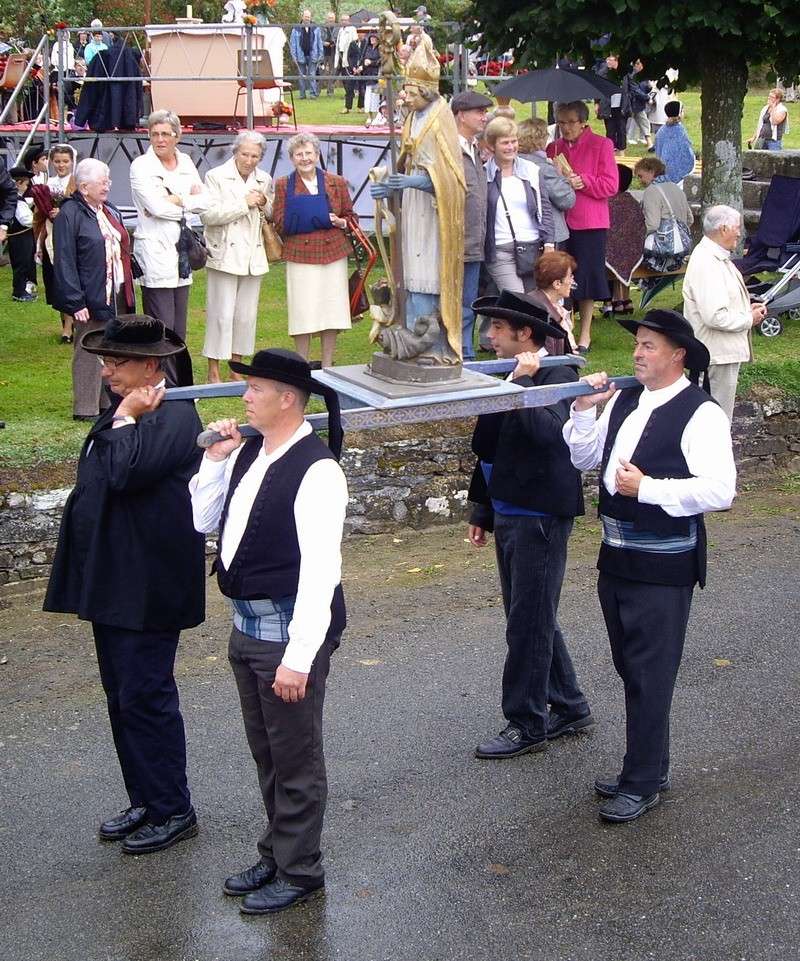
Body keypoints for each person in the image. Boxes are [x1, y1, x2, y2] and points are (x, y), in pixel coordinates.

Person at [562, 309, 736, 823]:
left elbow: (721, 490)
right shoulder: (627, 399)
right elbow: (583, 460)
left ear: (678, 355)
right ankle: (648, 766)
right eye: (637, 344)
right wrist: (582, 412)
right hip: (615, 558)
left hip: (663, 566)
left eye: (650, 346)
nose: (637, 353)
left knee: (650, 672)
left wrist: (650, 488)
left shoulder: (701, 413)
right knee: (629, 667)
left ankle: (641, 781)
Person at [189, 348, 347, 915]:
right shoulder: (250, 452)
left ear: (287, 398)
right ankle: (277, 852)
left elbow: (321, 573)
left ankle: (301, 870)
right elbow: (204, 523)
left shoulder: (319, 470)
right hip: (246, 627)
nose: (244, 397)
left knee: (296, 756)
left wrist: (299, 657)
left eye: (254, 387)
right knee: (268, 753)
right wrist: (214, 462)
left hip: (286, 635)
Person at [43, 314, 205, 853]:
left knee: (146, 694)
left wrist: (127, 420)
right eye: (106, 361)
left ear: (150, 365)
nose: (107, 371)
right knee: (121, 695)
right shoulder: (132, 407)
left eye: (117, 363)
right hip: (117, 577)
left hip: (149, 584)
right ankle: (145, 798)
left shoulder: (174, 414)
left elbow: (122, 473)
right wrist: (126, 416)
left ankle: (172, 807)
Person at [468, 290, 592, 759]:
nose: (489, 336)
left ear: (525, 334)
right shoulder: (508, 374)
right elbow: (487, 447)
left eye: (498, 328)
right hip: (508, 509)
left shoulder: (562, 373)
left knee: (528, 622)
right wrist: (482, 510)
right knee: (530, 617)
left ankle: (526, 723)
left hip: (539, 514)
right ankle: (570, 705)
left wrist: (520, 385)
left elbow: (550, 439)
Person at [369, 36, 466, 361]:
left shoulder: (441, 118)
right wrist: (390, 185)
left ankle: (429, 344)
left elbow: (451, 177)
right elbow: (404, 161)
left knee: (426, 276)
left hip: (434, 212)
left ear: (425, 90)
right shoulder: (413, 117)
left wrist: (412, 180)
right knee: (408, 276)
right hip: (412, 208)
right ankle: (408, 338)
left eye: (409, 92)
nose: (404, 97)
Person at [53, 158, 137, 422]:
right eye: (102, 182)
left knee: (110, 348)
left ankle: (104, 402)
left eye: (108, 180)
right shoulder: (70, 213)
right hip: (90, 293)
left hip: (116, 290)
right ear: (84, 186)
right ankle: (85, 407)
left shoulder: (107, 209)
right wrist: (75, 302)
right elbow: (64, 259)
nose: (108, 186)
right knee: (88, 347)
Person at [272, 133, 354, 367]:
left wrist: (340, 222)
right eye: (299, 154)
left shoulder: (335, 181)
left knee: (332, 308)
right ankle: (302, 363)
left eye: (309, 153)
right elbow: (279, 222)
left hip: (333, 253)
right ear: (292, 158)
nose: (305, 158)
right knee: (303, 310)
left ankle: (328, 364)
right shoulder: (283, 184)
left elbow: (350, 216)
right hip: (300, 254)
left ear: (317, 155)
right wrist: (304, 220)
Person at [130, 110, 208, 342]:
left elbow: (206, 201)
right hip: (155, 252)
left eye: (166, 134)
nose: (160, 140)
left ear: (177, 136)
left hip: (183, 255)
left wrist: (179, 199)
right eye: (155, 134)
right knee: (161, 326)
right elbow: (157, 209)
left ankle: (178, 379)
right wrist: (188, 201)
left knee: (179, 329)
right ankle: (160, 377)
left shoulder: (184, 161)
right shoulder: (141, 166)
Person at [682, 205, 766, 422]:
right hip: (714, 356)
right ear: (724, 228)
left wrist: (747, 309)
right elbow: (715, 316)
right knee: (713, 423)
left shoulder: (715, 257)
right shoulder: (707, 262)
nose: (740, 233)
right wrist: (749, 319)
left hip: (719, 353)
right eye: (737, 227)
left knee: (716, 421)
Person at [201, 131, 273, 384]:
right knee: (221, 314)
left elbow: (271, 212)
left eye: (255, 156)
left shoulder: (264, 178)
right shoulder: (216, 176)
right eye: (245, 154)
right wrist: (244, 203)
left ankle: (237, 366)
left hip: (253, 255)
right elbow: (208, 215)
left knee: (246, 315)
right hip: (224, 253)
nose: (250, 160)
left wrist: (264, 201)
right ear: (235, 152)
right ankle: (213, 370)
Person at [547, 100, 618, 354]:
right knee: (558, 277)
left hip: (590, 222)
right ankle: (562, 329)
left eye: (570, 122)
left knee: (586, 278)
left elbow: (611, 185)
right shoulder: (553, 148)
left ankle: (586, 332)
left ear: (583, 122)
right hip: (560, 221)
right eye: (561, 122)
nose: (565, 128)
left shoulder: (602, 145)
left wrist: (583, 181)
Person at [484, 116, 555, 296]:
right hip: (500, 249)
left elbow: (544, 208)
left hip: (532, 248)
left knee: (535, 301)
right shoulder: (483, 174)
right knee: (518, 299)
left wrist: (549, 244)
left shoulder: (531, 170)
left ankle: (493, 324)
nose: (511, 147)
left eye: (514, 141)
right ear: (492, 146)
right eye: (505, 142)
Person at [451, 90, 493, 361]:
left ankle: (464, 351)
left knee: (469, 302)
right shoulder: (450, 149)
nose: (484, 117)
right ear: (461, 115)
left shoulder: (474, 148)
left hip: (475, 240)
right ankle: (456, 352)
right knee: (455, 303)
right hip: (455, 241)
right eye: (479, 112)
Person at [31, 143, 77, 343]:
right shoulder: (48, 184)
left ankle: (69, 327)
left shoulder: (77, 182)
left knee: (69, 278)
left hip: (71, 238)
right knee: (55, 280)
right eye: (57, 161)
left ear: (72, 162)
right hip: (51, 236)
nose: (61, 165)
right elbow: (39, 217)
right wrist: (38, 242)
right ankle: (65, 324)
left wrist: (64, 211)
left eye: (65, 161)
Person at [517, 116, 576, 249]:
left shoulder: (515, 162)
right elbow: (567, 200)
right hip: (550, 234)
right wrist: (562, 176)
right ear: (540, 139)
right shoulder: (543, 168)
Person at [634, 155, 694, 273]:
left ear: (651, 171)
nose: (640, 180)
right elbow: (690, 219)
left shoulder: (652, 191)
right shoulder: (676, 188)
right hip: (679, 250)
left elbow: (652, 225)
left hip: (661, 251)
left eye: (641, 176)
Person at [603, 164, 646, 316]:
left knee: (608, 255)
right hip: (633, 248)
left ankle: (611, 301)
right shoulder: (631, 201)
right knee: (621, 255)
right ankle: (624, 299)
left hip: (611, 251)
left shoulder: (607, 201)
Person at [534, 250, 579, 351]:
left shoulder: (541, 301)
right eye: (570, 276)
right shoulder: (547, 314)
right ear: (557, 284)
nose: (572, 281)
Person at [7, 166, 37, 303]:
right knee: (21, 264)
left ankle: (21, 289)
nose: (27, 187)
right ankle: (18, 291)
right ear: (18, 183)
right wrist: (38, 217)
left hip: (22, 237)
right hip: (20, 237)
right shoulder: (16, 201)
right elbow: (26, 220)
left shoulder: (17, 199)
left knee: (24, 263)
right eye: (25, 184)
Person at [654, 101, 695, 184]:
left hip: (663, 168)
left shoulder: (661, 130)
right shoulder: (680, 130)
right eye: (682, 111)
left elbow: (658, 150)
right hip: (679, 172)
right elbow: (687, 152)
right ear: (679, 114)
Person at [595, 53, 626, 153]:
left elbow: (629, 88)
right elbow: (598, 88)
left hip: (621, 105)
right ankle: (611, 149)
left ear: (616, 61)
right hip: (608, 105)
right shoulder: (602, 73)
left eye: (610, 60)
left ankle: (622, 150)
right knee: (610, 130)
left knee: (621, 129)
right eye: (607, 59)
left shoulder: (624, 73)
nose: (608, 62)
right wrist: (597, 103)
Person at [290, 10, 323, 100]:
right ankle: (302, 94)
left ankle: (313, 94)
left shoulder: (316, 28)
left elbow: (319, 42)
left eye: (308, 17)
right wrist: (293, 56)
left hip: (313, 55)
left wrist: (321, 54)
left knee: (312, 75)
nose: (307, 18)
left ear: (310, 17)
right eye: (305, 17)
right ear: (302, 17)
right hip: (300, 55)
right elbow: (292, 44)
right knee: (301, 76)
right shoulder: (296, 29)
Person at [625, 59, 653, 147]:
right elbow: (635, 90)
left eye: (641, 63)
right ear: (634, 65)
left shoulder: (643, 76)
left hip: (638, 105)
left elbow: (645, 88)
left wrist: (650, 87)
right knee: (623, 125)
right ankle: (621, 145)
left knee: (645, 122)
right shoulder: (631, 75)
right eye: (638, 64)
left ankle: (650, 143)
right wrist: (647, 98)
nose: (640, 66)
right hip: (630, 104)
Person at [334, 13, 358, 106]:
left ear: (349, 21)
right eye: (342, 20)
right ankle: (348, 93)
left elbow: (354, 44)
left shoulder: (352, 29)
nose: (344, 22)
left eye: (346, 20)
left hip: (348, 56)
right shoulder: (340, 30)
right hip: (340, 54)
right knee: (343, 77)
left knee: (349, 77)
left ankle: (350, 94)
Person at [361, 33, 381, 125]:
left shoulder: (380, 49)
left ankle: (377, 115)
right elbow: (363, 58)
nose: (372, 39)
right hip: (367, 74)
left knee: (376, 96)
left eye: (374, 38)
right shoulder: (368, 48)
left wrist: (371, 62)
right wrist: (362, 65)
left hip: (376, 74)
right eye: (371, 38)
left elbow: (381, 60)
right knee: (368, 96)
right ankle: (369, 116)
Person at [320, 11, 338, 96]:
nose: (331, 19)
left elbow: (338, 39)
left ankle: (330, 91)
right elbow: (317, 39)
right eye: (329, 18)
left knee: (332, 72)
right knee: (321, 71)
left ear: (334, 19)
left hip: (333, 53)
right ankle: (317, 91)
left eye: (332, 18)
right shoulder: (321, 27)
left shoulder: (337, 28)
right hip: (323, 53)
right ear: (326, 18)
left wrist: (334, 43)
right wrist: (323, 43)